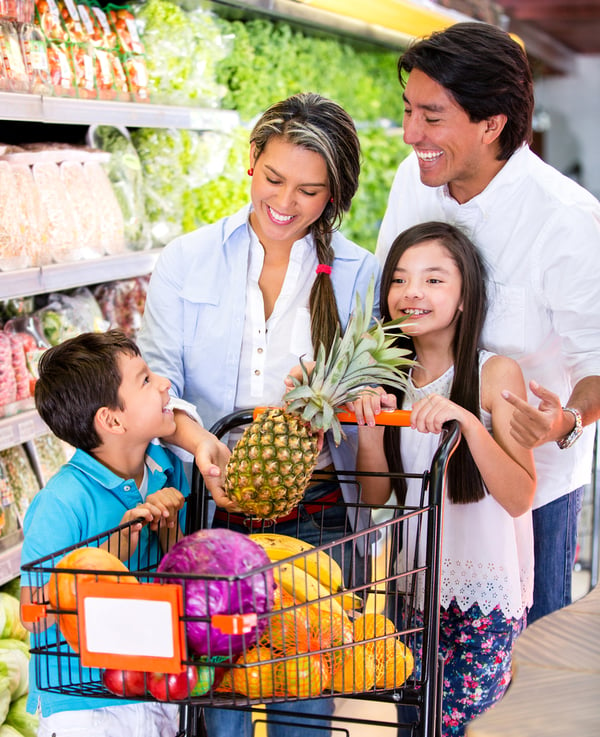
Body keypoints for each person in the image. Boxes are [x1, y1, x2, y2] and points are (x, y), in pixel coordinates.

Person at [138, 92, 381, 737]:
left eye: (310, 190)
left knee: (305, 694)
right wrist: (200, 444)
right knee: (221, 696)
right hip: (210, 513)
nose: (286, 203)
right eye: (274, 179)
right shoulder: (187, 259)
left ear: (333, 193)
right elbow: (158, 379)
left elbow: (377, 387)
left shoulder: (360, 274)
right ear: (251, 161)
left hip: (320, 516)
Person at [375, 21, 600, 624]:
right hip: (421, 477)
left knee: (521, 675)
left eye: (431, 116)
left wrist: (566, 420)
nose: (410, 134)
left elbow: (597, 362)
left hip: (524, 494)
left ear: (491, 124)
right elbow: (388, 308)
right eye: (407, 111)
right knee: (414, 675)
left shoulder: (568, 220)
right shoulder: (411, 182)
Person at [354, 221, 536, 736]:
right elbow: (377, 495)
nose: (411, 292)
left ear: (463, 297)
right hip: (411, 588)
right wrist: (370, 427)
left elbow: (520, 495)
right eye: (399, 279)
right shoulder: (387, 375)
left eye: (433, 280)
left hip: (482, 595)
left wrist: (468, 422)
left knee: (465, 727)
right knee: (414, 724)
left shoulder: (494, 373)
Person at [19, 330, 205, 737]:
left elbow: (177, 575)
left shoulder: (165, 470)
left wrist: (169, 530)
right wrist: (109, 554)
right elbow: (32, 616)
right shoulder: (62, 502)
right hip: (82, 704)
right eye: (144, 380)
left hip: (152, 683)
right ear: (112, 419)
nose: (164, 384)